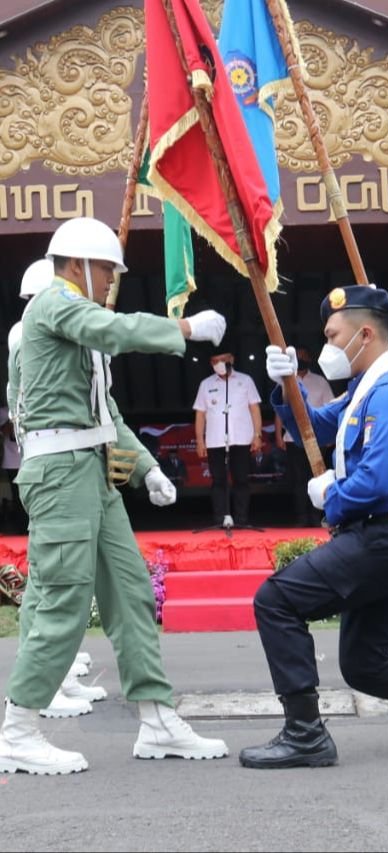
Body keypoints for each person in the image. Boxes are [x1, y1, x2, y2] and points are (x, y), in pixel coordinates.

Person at [0, 216, 229, 775]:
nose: (110, 280)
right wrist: (184, 330)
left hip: (92, 472)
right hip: (60, 475)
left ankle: (156, 718)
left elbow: (108, 419)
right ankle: (18, 728)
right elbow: (117, 329)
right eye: (106, 269)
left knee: (130, 595)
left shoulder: (78, 323)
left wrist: (146, 469)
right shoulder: (53, 304)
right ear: (76, 265)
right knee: (62, 599)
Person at [238, 284, 388, 770]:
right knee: (368, 666)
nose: (327, 344)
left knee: (277, 600)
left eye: (333, 334)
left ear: (364, 334)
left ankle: (305, 734)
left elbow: (375, 479)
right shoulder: (367, 389)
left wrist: (331, 496)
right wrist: (288, 385)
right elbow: (315, 425)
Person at [6, 258, 107, 719]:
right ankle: (42, 690)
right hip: (52, 468)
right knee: (52, 586)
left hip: (45, 465)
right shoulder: (29, 333)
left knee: (51, 584)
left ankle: (56, 677)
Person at [193, 349, 262, 527]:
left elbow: (254, 409)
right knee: (218, 481)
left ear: (232, 359)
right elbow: (200, 414)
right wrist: (200, 440)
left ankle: (241, 519)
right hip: (215, 440)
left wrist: (257, 435)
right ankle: (220, 519)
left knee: (241, 479)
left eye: (223, 360)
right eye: (215, 361)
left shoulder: (245, 380)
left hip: (241, 438)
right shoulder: (206, 384)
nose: (219, 363)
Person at [274, 346, 334, 526]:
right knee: (298, 480)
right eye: (297, 357)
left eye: (303, 357)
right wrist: (278, 434)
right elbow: (280, 411)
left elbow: (329, 408)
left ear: (309, 359)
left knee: (317, 478)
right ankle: (301, 518)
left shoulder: (320, 381)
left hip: (317, 439)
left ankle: (316, 517)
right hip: (292, 439)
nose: (300, 360)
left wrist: (331, 435)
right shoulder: (285, 381)